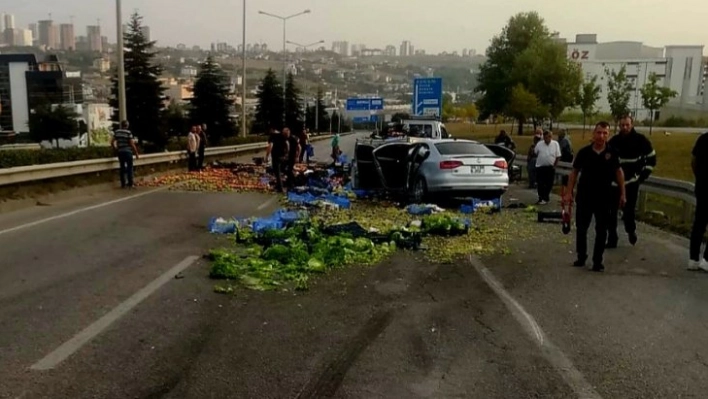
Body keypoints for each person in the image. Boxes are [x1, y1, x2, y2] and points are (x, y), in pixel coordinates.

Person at [564, 121, 626, 272]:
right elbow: (574, 172)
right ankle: (581, 256)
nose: (601, 136)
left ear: (608, 134)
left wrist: (623, 193)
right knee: (582, 228)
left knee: (601, 230)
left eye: (605, 133)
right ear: (593, 134)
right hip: (585, 196)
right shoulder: (584, 152)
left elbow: (619, 172)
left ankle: (597, 260)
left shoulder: (612, 153)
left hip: (604, 197)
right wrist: (568, 192)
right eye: (599, 133)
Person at [606, 115, 656, 247]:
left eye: (627, 125)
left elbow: (652, 158)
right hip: (614, 184)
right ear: (619, 126)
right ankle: (612, 238)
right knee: (610, 212)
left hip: (631, 183)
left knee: (629, 212)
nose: (625, 127)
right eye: (622, 125)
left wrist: (642, 177)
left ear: (632, 124)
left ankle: (631, 230)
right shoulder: (614, 141)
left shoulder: (641, 140)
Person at [688, 131, 708, 271]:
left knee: (699, 223)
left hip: (702, 187)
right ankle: (706, 259)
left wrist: (700, 177)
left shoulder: (702, 139)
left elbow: (693, 161)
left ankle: (693, 258)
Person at [534, 130, 561, 205]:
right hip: (540, 167)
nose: (547, 139)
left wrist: (555, 166)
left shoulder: (555, 144)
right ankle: (541, 198)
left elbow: (558, 156)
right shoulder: (539, 144)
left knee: (549, 183)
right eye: (545, 137)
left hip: (550, 167)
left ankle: (546, 197)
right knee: (540, 183)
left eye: (549, 137)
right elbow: (535, 152)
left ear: (551, 137)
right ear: (544, 137)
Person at [111, 120, 140, 188]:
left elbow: (112, 142)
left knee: (122, 167)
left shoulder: (117, 132)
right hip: (128, 152)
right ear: (127, 125)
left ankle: (123, 183)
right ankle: (130, 183)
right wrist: (136, 153)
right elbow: (132, 143)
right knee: (130, 167)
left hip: (120, 152)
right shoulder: (128, 132)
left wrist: (116, 148)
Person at [265, 127, 288, 192]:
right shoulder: (282, 135)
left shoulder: (272, 136)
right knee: (282, 171)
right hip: (283, 157)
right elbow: (287, 144)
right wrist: (286, 154)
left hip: (276, 157)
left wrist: (267, 156)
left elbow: (270, 145)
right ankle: (286, 183)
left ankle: (280, 188)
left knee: (277, 173)